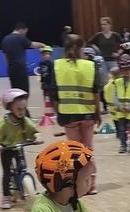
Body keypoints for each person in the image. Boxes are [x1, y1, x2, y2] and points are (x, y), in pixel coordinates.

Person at [46, 34, 102, 194]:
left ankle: (77, 183)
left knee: (75, 151)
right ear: (81, 48)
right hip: (87, 114)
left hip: (68, 115)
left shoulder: (56, 65)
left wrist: (58, 113)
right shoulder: (90, 65)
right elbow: (96, 92)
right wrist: (97, 113)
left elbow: (53, 93)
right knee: (88, 149)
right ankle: (91, 184)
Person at [0, 89, 42, 209]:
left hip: (19, 148)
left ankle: (26, 189)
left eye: (24, 109)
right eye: (18, 109)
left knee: (22, 168)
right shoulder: (3, 122)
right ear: (10, 108)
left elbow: (34, 131)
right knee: (7, 173)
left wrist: (37, 137)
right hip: (6, 149)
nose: (21, 112)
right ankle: (6, 197)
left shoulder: (25, 121)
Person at [1, 21, 45, 94]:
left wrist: (10, 65)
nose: (25, 34)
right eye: (25, 32)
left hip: (11, 70)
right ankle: (22, 105)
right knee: (24, 92)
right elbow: (32, 45)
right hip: (20, 69)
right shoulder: (20, 38)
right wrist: (43, 45)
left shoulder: (5, 39)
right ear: (21, 29)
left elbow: (5, 56)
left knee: (15, 92)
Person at [103, 67, 122, 140]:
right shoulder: (119, 84)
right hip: (120, 107)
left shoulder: (107, 85)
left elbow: (105, 96)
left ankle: (118, 134)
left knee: (116, 122)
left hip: (111, 107)